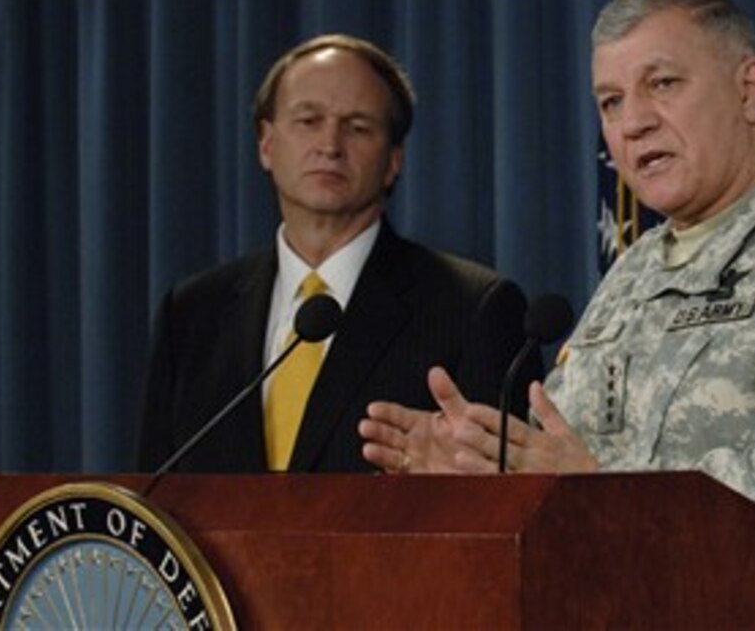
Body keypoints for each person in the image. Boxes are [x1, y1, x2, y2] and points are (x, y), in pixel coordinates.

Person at [359, 0, 755, 606]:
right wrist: (488, 477)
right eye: (611, 101)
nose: (634, 122)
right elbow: (568, 468)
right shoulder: (636, 272)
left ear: (748, 87)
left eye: (663, 84)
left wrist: (604, 494)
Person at [137, 34, 541, 474]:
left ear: (393, 160)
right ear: (266, 143)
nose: (330, 145)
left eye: (358, 127)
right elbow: (151, 506)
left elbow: (504, 503)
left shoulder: (473, 308)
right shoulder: (193, 313)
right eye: (308, 120)